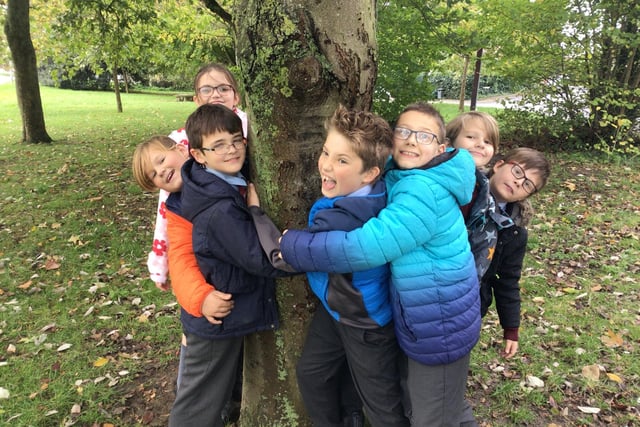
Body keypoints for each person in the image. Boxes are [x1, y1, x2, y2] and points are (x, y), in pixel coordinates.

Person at [278, 102, 481, 426]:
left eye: (424, 136)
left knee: (434, 414)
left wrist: (289, 245)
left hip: (438, 321)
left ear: (441, 148)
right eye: (404, 131)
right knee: (432, 401)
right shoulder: (403, 175)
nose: (412, 140)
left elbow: (364, 248)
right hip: (422, 313)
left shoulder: (422, 190)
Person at [248, 105, 409, 427]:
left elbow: (285, 257)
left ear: (370, 173)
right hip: (336, 309)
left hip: (364, 323)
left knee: (379, 402)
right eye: (326, 153)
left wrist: (256, 213)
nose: (326, 166)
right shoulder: (374, 190)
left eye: (342, 160)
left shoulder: (342, 219)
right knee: (312, 373)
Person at [168, 103, 292, 427]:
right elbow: (264, 261)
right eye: (218, 145)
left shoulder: (216, 179)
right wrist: (257, 213)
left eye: (237, 140)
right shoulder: (218, 208)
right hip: (215, 319)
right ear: (198, 154)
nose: (232, 150)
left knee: (217, 395)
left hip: (230, 309)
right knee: (199, 404)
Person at [142, 63, 247, 422]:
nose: (215, 94)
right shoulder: (182, 178)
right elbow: (180, 251)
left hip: (238, 284)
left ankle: (230, 403)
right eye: (206, 89)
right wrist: (197, 298)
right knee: (200, 366)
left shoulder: (250, 136)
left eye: (223, 87)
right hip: (208, 291)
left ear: (236, 94)